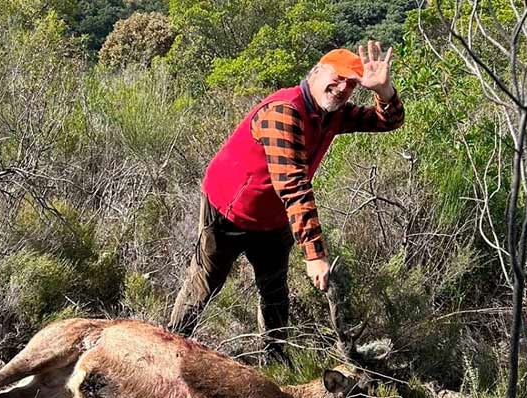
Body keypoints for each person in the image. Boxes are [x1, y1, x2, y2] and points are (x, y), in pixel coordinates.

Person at [168, 41, 405, 361]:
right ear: (317, 72)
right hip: (229, 212)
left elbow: (386, 121)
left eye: (351, 84)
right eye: (337, 77)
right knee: (204, 286)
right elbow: (293, 185)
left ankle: (275, 362)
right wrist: (315, 254)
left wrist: (385, 92)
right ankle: (166, 352)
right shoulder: (285, 110)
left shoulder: (331, 112)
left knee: (275, 293)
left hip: (274, 219)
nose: (342, 88)